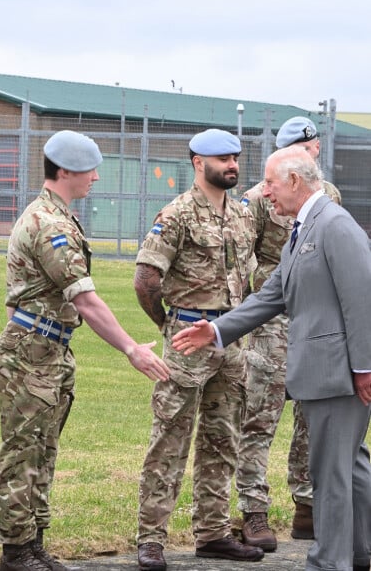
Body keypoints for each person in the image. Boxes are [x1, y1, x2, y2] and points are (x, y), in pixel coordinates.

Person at [173, 145, 371, 571]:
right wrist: (218, 329)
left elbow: (363, 298)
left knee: (330, 475)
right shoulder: (302, 231)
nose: (264, 192)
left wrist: (364, 368)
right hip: (325, 373)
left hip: (339, 375)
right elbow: (270, 295)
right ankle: (358, 554)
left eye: (270, 183)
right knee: (349, 467)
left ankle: (328, 562)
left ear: (296, 182)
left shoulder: (334, 225)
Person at [0, 129, 170, 571]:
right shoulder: (50, 225)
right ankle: (15, 552)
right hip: (32, 350)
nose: (95, 177)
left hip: (49, 348)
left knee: (43, 449)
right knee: (23, 452)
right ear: (66, 171)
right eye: (90, 169)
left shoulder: (57, 216)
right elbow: (86, 300)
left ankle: (32, 545)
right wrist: (132, 349)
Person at [134, 128, 262, 571]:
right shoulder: (177, 215)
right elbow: (147, 281)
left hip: (230, 340)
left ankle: (212, 533)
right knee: (169, 441)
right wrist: (170, 326)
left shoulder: (243, 215)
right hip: (188, 342)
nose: (231, 165)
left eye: (235, 158)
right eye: (222, 159)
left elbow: (249, 278)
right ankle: (150, 539)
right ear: (197, 162)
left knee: (222, 440)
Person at [236, 116, 342, 551]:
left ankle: (307, 506)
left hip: (313, 319)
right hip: (273, 322)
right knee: (262, 412)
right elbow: (243, 260)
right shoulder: (259, 198)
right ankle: (254, 510)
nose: (312, 151)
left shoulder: (328, 196)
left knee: (311, 416)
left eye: (311, 146)